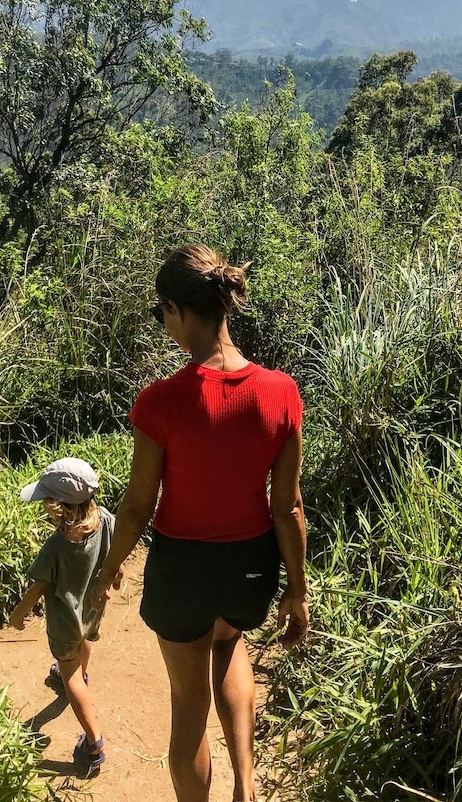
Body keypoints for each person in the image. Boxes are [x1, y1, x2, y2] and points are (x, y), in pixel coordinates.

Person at [92, 243, 308, 802]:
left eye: (160, 311)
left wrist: (107, 569)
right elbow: (287, 507)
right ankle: (247, 782)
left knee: (189, 706)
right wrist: (297, 592)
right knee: (229, 642)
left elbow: (138, 506)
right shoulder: (280, 393)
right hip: (250, 566)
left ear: (178, 310)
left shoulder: (161, 402)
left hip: (182, 567)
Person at [9, 456, 121, 779]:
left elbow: (38, 587)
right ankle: (78, 674)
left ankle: (93, 744)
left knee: (70, 674)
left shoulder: (56, 547)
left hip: (64, 624)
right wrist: (113, 582)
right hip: (92, 611)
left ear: (59, 506)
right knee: (84, 643)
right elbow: (117, 562)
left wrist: (18, 616)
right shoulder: (108, 521)